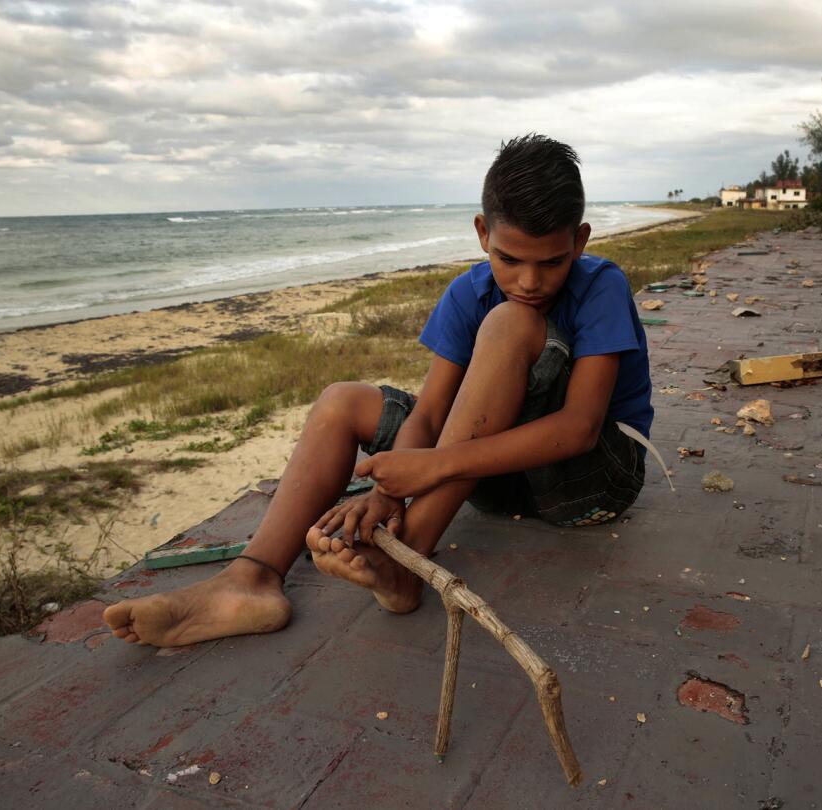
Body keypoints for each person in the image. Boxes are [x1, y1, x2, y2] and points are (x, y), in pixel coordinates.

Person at [102, 134, 654, 647]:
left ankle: (407, 565)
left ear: (580, 241)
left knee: (512, 323)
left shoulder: (599, 285)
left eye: (551, 262)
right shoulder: (468, 291)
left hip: (588, 484)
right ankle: (252, 579)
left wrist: (430, 469)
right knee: (343, 400)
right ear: (483, 233)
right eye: (509, 259)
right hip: (490, 475)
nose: (530, 281)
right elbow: (434, 410)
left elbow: (580, 429)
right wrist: (391, 487)